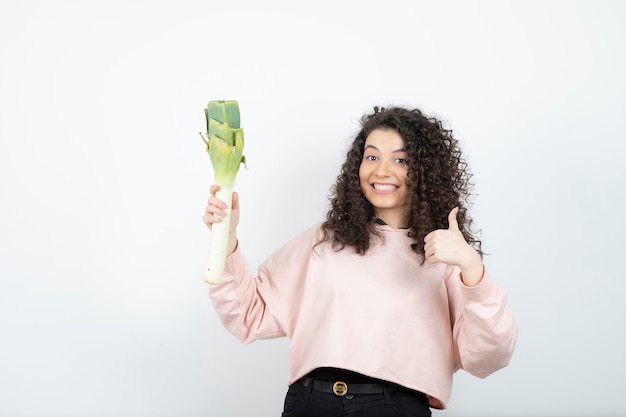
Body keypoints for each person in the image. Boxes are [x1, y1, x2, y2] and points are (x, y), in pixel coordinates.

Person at [202, 105, 518, 416]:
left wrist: (472, 268)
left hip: (395, 407)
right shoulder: (324, 240)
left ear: (425, 170)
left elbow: (488, 357)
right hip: (312, 403)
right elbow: (249, 314)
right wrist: (226, 237)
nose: (381, 170)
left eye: (401, 159)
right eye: (372, 156)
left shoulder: (445, 255)